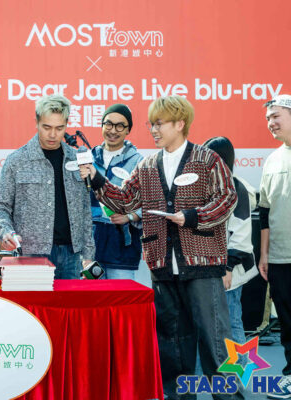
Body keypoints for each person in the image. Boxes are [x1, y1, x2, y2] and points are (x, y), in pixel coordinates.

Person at [80, 95, 241, 399]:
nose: (153, 130)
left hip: (202, 266)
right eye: (151, 124)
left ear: (180, 123)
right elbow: (125, 200)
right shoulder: (147, 165)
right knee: (172, 347)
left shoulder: (207, 159)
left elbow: (227, 198)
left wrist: (192, 217)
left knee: (216, 346)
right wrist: (97, 179)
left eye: (159, 123)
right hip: (162, 268)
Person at [0, 94, 94, 278]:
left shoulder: (77, 159)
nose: (53, 134)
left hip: (72, 254)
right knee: (34, 299)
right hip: (31, 253)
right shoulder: (17, 161)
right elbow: (1, 206)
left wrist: (88, 255)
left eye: (59, 128)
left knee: (71, 299)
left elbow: (85, 210)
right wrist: (6, 231)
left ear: (66, 125)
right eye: (47, 127)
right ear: (37, 122)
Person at [203, 137, 258, 345]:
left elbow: (241, 236)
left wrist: (227, 267)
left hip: (229, 270)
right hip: (209, 268)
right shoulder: (208, 186)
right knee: (210, 324)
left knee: (231, 321)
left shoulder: (236, 188)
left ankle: (239, 367)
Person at [259, 94, 291, 398]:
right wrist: (265, 255)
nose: (270, 123)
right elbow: (265, 212)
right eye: (268, 118)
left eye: (276, 116)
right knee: (287, 322)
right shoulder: (272, 160)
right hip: (281, 257)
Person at [89, 104, 143, 280]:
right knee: (91, 296)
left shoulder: (139, 162)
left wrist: (130, 216)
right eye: (109, 124)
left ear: (128, 130)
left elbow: (151, 201)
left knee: (121, 296)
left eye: (120, 126)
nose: (113, 130)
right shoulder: (88, 159)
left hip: (122, 248)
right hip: (91, 248)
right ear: (102, 125)